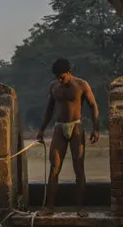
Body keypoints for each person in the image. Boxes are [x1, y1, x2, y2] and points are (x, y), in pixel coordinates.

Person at [37, 58, 99, 217]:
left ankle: (80, 208)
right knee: (54, 167)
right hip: (59, 127)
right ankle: (50, 207)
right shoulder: (53, 86)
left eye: (62, 76)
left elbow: (93, 105)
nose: (60, 79)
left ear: (69, 72)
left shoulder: (81, 85)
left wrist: (96, 129)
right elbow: (49, 110)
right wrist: (41, 130)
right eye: (57, 77)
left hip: (76, 127)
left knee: (78, 167)